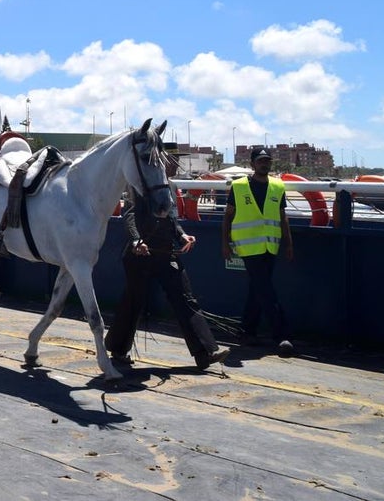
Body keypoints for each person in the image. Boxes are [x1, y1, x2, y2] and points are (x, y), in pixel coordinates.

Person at [105, 143, 230, 369]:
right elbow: (130, 214)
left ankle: (205, 353)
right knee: (134, 302)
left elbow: (172, 220)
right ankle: (117, 349)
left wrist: (182, 236)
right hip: (140, 254)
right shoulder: (140, 186)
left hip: (165, 253)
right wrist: (135, 240)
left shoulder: (171, 187)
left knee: (185, 299)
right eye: (172, 160)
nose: (175, 165)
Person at [222, 147, 295, 356]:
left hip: (270, 246)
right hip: (248, 247)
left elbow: (283, 217)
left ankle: (247, 331)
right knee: (266, 289)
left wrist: (289, 244)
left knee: (257, 289)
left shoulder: (277, 187)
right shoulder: (239, 186)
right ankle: (281, 335)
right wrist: (225, 244)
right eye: (261, 161)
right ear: (253, 164)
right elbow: (228, 216)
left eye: (268, 161)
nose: (265, 164)